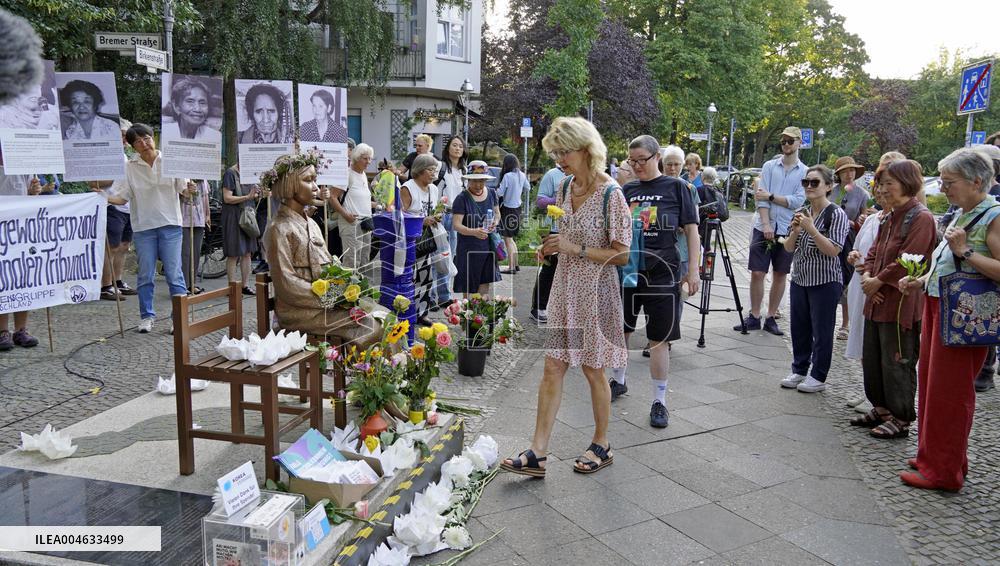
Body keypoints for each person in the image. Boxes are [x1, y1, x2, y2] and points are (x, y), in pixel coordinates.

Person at [500, 116, 630, 477]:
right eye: (555, 153)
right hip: (565, 289)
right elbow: (565, 235)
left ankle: (601, 444)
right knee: (553, 365)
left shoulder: (611, 194)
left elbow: (622, 255)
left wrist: (574, 248)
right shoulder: (563, 187)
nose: (559, 160)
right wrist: (551, 248)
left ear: (587, 150)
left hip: (596, 292)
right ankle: (538, 452)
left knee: (592, 368)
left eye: (564, 152)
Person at [898, 148, 1000, 491]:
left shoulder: (993, 216)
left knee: (949, 394)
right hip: (942, 306)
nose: (942, 189)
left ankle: (943, 472)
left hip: (962, 316)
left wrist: (965, 251)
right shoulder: (965, 213)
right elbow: (946, 264)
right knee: (931, 387)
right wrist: (921, 280)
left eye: (949, 182)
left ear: (976, 181)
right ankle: (935, 457)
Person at [611, 135, 700, 429]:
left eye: (642, 160)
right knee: (622, 329)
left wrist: (694, 270)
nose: (636, 166)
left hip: (663, 272)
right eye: (632, 161)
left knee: (659, 339)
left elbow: (692, 231)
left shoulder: (677, 187)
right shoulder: (628, 190)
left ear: (656, 157)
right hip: (629, 270)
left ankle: (659, 400)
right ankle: (618, 380)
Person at [847, 159, 936, 437]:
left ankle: (900, 417)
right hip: (875, 300)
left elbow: (910, 258)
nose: (883, 189)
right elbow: (874, 251)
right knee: (873, 358)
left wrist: (877, 281)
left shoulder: (921, 218)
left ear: (907, 183)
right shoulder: (888, 216)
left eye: (889, 183)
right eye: (880, 183)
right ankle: (881, 407)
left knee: (897, 360)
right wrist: (868, 277)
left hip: (900, 304)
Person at [262, 152, 381, 346]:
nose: (316, 188)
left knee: (381, 314)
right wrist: (335, 296)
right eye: (308, 180)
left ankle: (388, 365)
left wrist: (347, 285)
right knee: (370, 325)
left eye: (315, 180)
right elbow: (287, 284)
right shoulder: (278, 228)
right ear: (290, 184)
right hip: (300, 312)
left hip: (323, 304)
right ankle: (368, 366)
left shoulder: (312, 224)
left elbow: (328, 266)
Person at [97, 123, 193, 333]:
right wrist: (102, 197)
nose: (144, 143)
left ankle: (179, 319)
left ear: (153, 138)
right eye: (138, 141)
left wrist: (190, 189)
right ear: (132, 146)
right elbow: (122, 198)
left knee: (174, 274)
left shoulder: (171, 160)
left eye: (146, 138)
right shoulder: (129, 167)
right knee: (145, 274)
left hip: (170, 224)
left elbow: (184, 190)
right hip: (143, 227)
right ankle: (147, 316)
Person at [780, 165, 848, 393]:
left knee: (822, 330)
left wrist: (812, 230)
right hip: (800, 278)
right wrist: (796, 231)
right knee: (799, 327)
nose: (809, 186)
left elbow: (833, 250)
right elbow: (789, 248)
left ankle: (818, 375)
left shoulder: (836, 214)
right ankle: (799, 369)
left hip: (825, 281)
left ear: (828, 186)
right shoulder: (801, 211)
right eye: (806, 182)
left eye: (815, 182)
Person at [739, 127, 807, 336]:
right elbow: (760, 197)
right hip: (764, 226)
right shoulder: (769, 166)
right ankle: (754, 315)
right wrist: (766, 223)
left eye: (790, 141)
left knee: (780, 273)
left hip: (788, 228)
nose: (786, 144)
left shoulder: (805, 172)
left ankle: (770, 316)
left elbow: (797, 200)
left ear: (799, 143)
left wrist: (771, 196)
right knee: (757, 272)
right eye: (783, 141)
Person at [400, 153, 446, 320]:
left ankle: (422, 314)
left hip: (426, 239)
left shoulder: (434, 189)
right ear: (419, 170)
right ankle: (405, 312)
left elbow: (434, 209)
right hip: (409, 239)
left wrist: (437, 215)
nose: (434, 173)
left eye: (435, 170)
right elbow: (400, 215)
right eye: (430, 170)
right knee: (408, 277)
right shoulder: (407, 188)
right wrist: (422, 220)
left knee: (425, 277)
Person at [0, 166, 40, 350]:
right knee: (3, 276)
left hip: (22, 224)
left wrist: (34, 190)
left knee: (23, 275)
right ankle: (2, 331)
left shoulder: (22, 159)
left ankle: (21, 330)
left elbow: (30, 190)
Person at [830, 156, 870, 341]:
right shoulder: (831, 191)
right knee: (830, 278)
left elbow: (866, 220)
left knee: (847, 279)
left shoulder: (862, 194)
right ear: (838, 174)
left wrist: (855, 223)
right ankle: (827, 319)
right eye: (845, 171)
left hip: (849, 238)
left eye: (852, 170)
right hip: (831, 237)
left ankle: (845, 324)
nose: (849, 174)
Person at [98, 118, 138, 301]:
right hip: (112, 205)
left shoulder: (125, 155)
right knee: (111, 247)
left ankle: (118, 281)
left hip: (127, 206)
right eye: (122, 135)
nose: (124, 139)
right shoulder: (106, 155)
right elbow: (94, 183)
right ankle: (105, 285)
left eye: (126, 136)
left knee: (124, 246)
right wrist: (116, 175)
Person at [971, 144, 1000, 392]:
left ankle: (986, 370)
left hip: (987, 268)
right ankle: (984, 369)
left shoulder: (994, 199)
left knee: (988, 317)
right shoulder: (971, 195)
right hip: (975, 269)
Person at [451, 167, 500, 297]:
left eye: (481, 181)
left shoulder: (492, 193)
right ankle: (468, 309)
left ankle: (481, 308)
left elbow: (497, 213)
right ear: (468, 180)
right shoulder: (462, 198)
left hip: (487, 245)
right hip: (468, 247)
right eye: (474, 181)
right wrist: (474, 232)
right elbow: (456, 225)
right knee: (469, 282)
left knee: (485, 279)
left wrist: (495, 222)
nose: (478, 185)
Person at [331, 143, 374, 278]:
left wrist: (379, 205)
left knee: (364, 260)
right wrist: (346, 214)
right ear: (356, 158)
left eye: (370, 158)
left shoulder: (363, 175)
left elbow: (361, 199)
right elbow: (332, 197)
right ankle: (348, 290)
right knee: (351, 260)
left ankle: (361, 289)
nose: (368, 162)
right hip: (351, 223)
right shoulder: (346, 174)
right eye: (365, 158)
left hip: (366, 223)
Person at [530, 164, 566, 323]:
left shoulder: (583, 174)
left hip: (575, 230)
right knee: (549, 268)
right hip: (553, 228)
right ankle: (539, 307)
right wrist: (559, 199)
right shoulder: (552, 174)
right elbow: (540, 201)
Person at [221, 164, 261, 295]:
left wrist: (258, 194)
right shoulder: (230, 173)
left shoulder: (250, 172)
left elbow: (253, 196)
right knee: (233, 253)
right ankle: (231, 287)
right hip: (234, 216)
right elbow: (227, 198)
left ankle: (245, 285)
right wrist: (247, 197)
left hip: (248, 216)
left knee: (247, 253)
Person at [436, 135, 467, 259]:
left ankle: (450, 272)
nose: (457, 148)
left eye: (460, 146)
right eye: (454, 145)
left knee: (453, 251)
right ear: (448, 148)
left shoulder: (464, 170)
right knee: (439, 252)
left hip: (456, 215)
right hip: (441, 213)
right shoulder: (440, 166)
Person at [496, 154, 528, 274]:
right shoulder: (522, 175)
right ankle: (516, 264)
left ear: (507, 164)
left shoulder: (507, 176)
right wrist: (517, 191)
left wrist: (493, 191)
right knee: (511, 239)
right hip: (517, 209)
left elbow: (499, 193)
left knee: (508, 240)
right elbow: (528, 187)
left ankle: (511, 267)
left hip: (507, 209)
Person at [163, 76, 220, 141]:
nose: (197, 109)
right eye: (190, 101)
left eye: (202, 102)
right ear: (176, 107)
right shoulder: (165, 132)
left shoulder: (214, 136)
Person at [181, 179, 211, 295]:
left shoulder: (202, 180)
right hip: (183, 218)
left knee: (196, 252)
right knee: (185, 253)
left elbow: (205, 196)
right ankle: (183, 285)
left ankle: (192, 283)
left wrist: (207, 215)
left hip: (199, 218)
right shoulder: (182, 178)